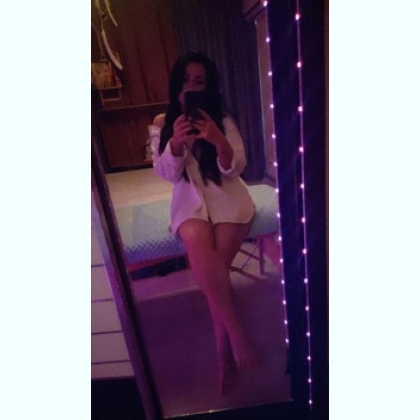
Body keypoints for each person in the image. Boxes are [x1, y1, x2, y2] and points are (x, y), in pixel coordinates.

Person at [149, 51, 257, 394]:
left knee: (214, 274)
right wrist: (176, 144)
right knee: (200, 247)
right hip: (188, 198)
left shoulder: (220, 118)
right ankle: (237, 335)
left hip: (226, 194)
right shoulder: (162, 122)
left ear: (207, 87)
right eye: (185, 81)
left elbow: (235, 167)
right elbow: (165, 174)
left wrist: (217, 138)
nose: (190, 89)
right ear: (175, 85)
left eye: (199, 82)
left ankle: (222, 354)